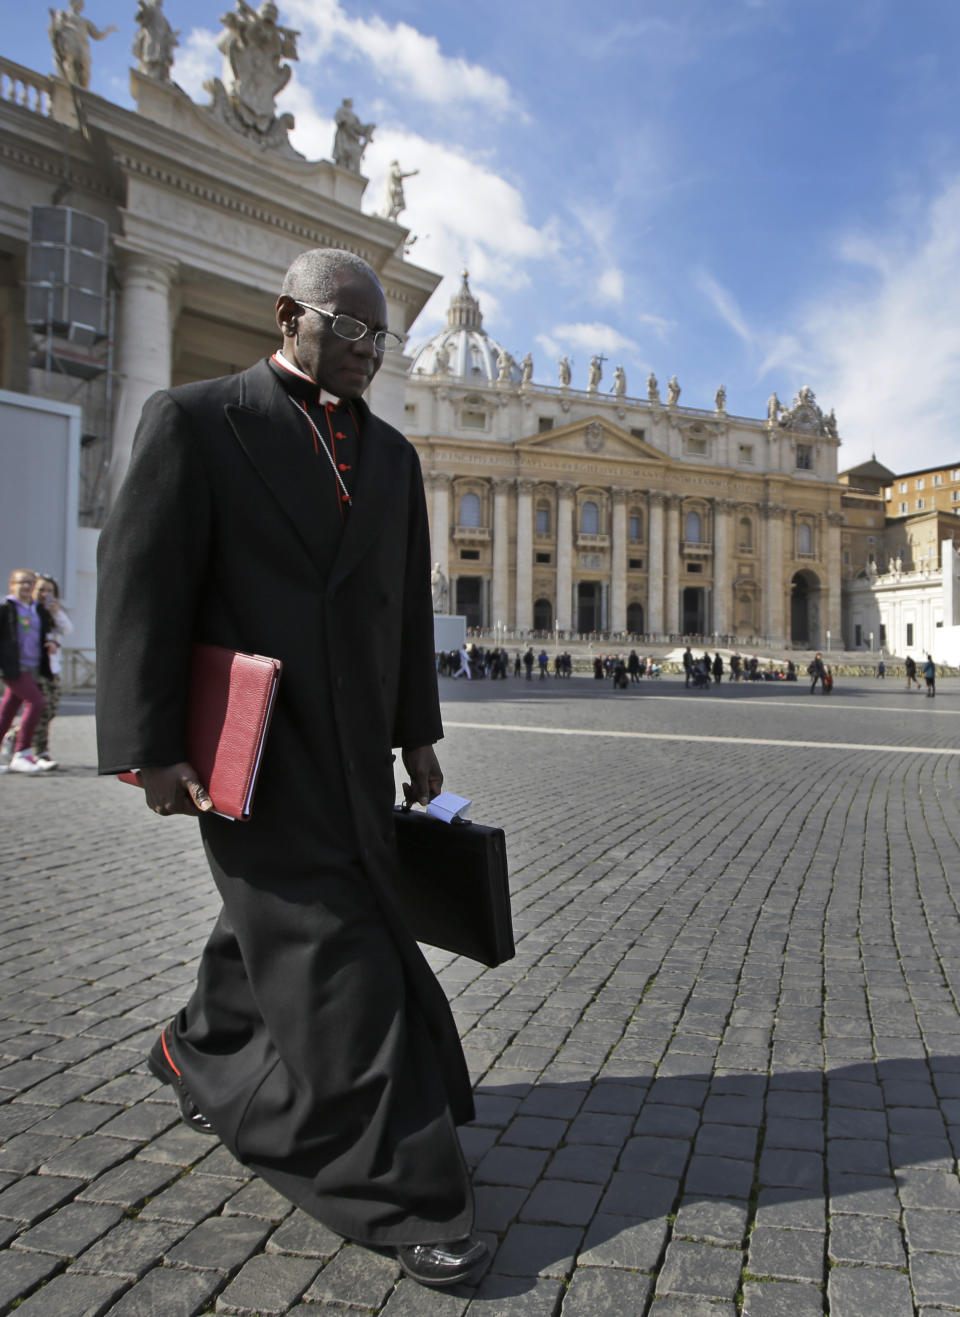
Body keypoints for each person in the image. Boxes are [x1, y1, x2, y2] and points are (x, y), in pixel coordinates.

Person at [95, 248, 486, 1287]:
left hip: (354, 751)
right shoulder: (197, 421)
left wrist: (418, 737)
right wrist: (150, 749)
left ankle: (195, 1043)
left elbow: (400, 615)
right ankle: (401, 1187)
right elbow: (144, 587)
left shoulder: (395, 460)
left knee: (269, 926)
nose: (367, 352)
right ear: (288, 317)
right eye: (348, 331)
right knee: (332, 945)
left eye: (379, 338)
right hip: (250, 746)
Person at [0, 569, 57, 774]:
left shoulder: (37, 609)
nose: (27, 587)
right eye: (23, 582)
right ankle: (21, 753)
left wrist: (50, 641)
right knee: (36, 703)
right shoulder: (6, 607)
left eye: (30, 583)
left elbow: (47, 632)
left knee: (7, 711)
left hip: (33, 664)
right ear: (12, 584)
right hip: (14, 666)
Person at [32, 574, 73, 767]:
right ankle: (40, 751)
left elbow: (67, 630)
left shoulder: (53, 612)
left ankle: (15, 735)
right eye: (41, 590)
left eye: (49, 590)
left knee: (51, 710)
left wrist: (56, 612)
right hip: (34, 667)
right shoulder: (29, 610)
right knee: (42, 708)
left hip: (52, 667)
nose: (45, 594)